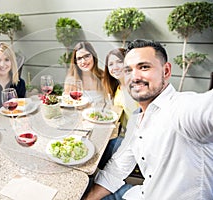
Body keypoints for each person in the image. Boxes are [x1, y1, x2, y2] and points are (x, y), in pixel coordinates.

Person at [84, 39, 213, 199]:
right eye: (128, 70)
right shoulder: (136, 120)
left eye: (144, 67)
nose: (135, 77)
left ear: (166, 71)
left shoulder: (181, 108)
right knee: (83, 187)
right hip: (143, 193)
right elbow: (116, 169)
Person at [99, 48, 139, 170]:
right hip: (122, 132)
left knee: (102, 157)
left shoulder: (136, 87)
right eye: (110, 64)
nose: (114, 67)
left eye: (119, 62)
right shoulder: (118, 87)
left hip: (133, 139)